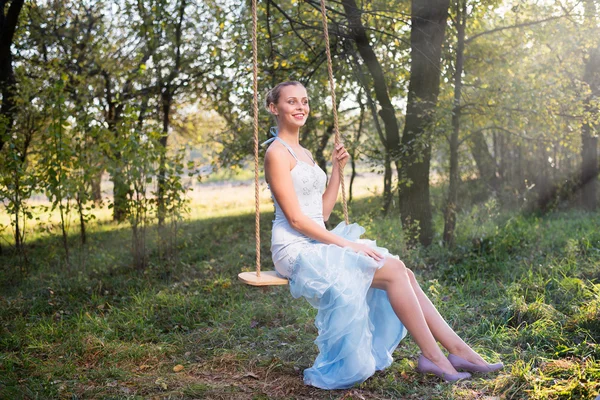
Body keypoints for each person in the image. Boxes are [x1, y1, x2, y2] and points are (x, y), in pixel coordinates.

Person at [263, 81, 503, 390]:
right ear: (274, 108)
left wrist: (337, 170)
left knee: (403, 272)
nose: (300, 107)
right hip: (293, 248)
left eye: (305, 101)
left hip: (317, 239)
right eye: (291, 101)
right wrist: (348, 245)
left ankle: (459, 351)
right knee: (391, 271)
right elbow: (296, 220)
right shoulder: (276, 154)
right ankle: (434, 356)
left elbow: (320, 214)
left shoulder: (305, 153)